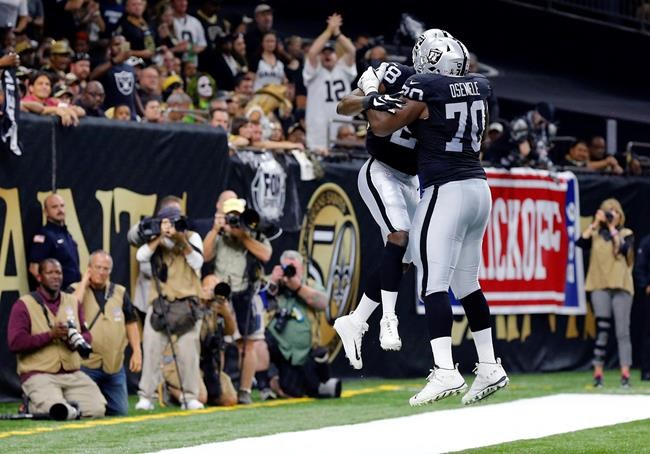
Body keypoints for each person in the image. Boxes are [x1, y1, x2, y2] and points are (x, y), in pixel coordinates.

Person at [366, 34, 508, 406]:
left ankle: (445, 369)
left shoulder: (425, 87)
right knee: (468, 282)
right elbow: (478, 142)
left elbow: (383, 126)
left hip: (446, 189)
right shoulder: (478, 88)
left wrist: (371, 98)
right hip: (479, 187)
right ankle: (490, 364)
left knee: (432, 283)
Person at [335, 33, 441, 366]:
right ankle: (387, 320)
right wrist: (370, 100)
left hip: (409, 180)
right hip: (380, 169)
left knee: (405, 259)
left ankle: (355, 321)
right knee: (399, 235)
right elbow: (343, 106)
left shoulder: (441, 97)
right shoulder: (396, 75)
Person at [7, 259, 106, 418]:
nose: (55, 276)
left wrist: (75, 340)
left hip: (72, 374)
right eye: (50, 272)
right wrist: (50, 336)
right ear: (39, 277)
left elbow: (87, 335)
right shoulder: (23, 304)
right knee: (59, 411)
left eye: (58, 273)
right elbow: (15, 343)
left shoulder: (72, 301)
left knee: (97, 410)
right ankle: (31, 404)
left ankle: (64, 403)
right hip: (39, 374)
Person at [202, 191, 272, 404]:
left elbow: (266, 255)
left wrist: (243, 235)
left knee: (247, 343)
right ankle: (218, 387)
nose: (233, 220)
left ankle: (245, 390)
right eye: (229, 216)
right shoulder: (219, 235)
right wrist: (216, 230)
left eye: (236, 216)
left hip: (245, 292)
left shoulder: (254, 234)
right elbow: (205, 256)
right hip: (222, 293)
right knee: (217, 341)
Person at [135, 204, 205, 411]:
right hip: (161, 303)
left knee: (188, 353)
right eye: (166, 222)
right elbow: (141, 256)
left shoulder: (191, 237)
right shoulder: (156, 240)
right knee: (151, 349)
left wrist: (181, 241)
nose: (170, 226)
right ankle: (146, 396)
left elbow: (198, 262)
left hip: (187, 304)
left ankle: (190, 396)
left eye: (174, 221)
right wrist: (158, 237)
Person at [70, 251, 142, 416]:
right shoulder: (75, 289)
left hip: (114, 366)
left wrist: (137, 351)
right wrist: (84, 282)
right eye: (98, 268)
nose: (102, 272)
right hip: (86, 365)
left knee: (120, 412)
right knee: (90, 411)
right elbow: (72, 308)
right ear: (89, 268)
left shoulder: (120, 292)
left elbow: (131, 322)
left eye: (106, 269)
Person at [265, 250, 341, 398]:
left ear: (302, 269)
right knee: (261, 339)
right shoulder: (273, 284)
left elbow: (323, 303)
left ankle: (302, 383)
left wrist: (298, 287)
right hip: (280, 350)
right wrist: (273, 282)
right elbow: (259, 302)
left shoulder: (310, 284)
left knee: (297, 391)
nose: (290, 272)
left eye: (294, 268)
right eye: (287, 268)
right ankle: (268, 382)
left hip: (304, 353)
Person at [577, 198, 635, 387]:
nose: (611, 215)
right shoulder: (595, 234)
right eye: (607, 212)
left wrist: (612, 228)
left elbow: (623, 250)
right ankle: (598, 373)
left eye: (614, 212)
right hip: (599, 285)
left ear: (620, 215)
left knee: (622, 332)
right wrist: (595, 222)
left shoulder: (626, 233)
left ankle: (625, 373)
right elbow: (580, 243)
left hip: (621, 287)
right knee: (602, 330)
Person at [303, 13, 356, 151]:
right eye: (324, 52)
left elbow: (351, 50)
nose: (327, 55)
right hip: (319, 124)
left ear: (336, 55)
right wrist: (329, 30)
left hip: (342, 124)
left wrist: (337, 33)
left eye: (330, 52)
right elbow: (312, 53)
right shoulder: (314, 71)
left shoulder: (343, 69)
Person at [29, 193, 81, 290]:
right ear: (46, 212)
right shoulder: (44, 235)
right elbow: (34, 268)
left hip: (74, 292)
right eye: (54, 207)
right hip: (58, 295)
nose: (60, 210)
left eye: (62, 206)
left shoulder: (67, 235)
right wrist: (51, 291)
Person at [634, 234, 650, 381]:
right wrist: (645, 284)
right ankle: (646, 370)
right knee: (648, 332)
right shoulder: (646, 242)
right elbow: (639, 266)